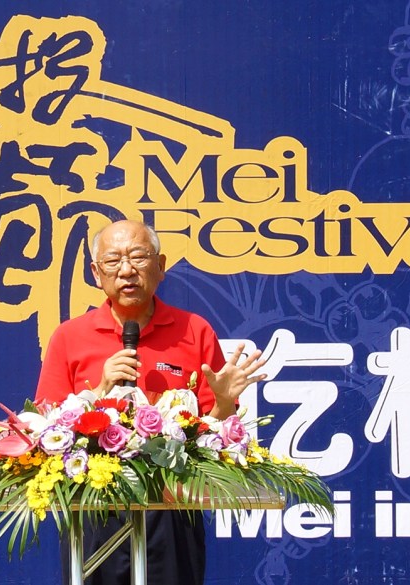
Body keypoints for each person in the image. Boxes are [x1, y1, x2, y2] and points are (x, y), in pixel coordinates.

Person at [35, 220, 267, 585]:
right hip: (94, 504)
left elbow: (215, 436)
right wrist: (100, 389)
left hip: (172, 506)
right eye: (113, 260)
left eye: (138, 257)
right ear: (96, 273)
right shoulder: (69, 336)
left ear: (160, 266)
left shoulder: (194, 330)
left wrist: (224, 403)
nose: (127, 270)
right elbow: (46, 427)